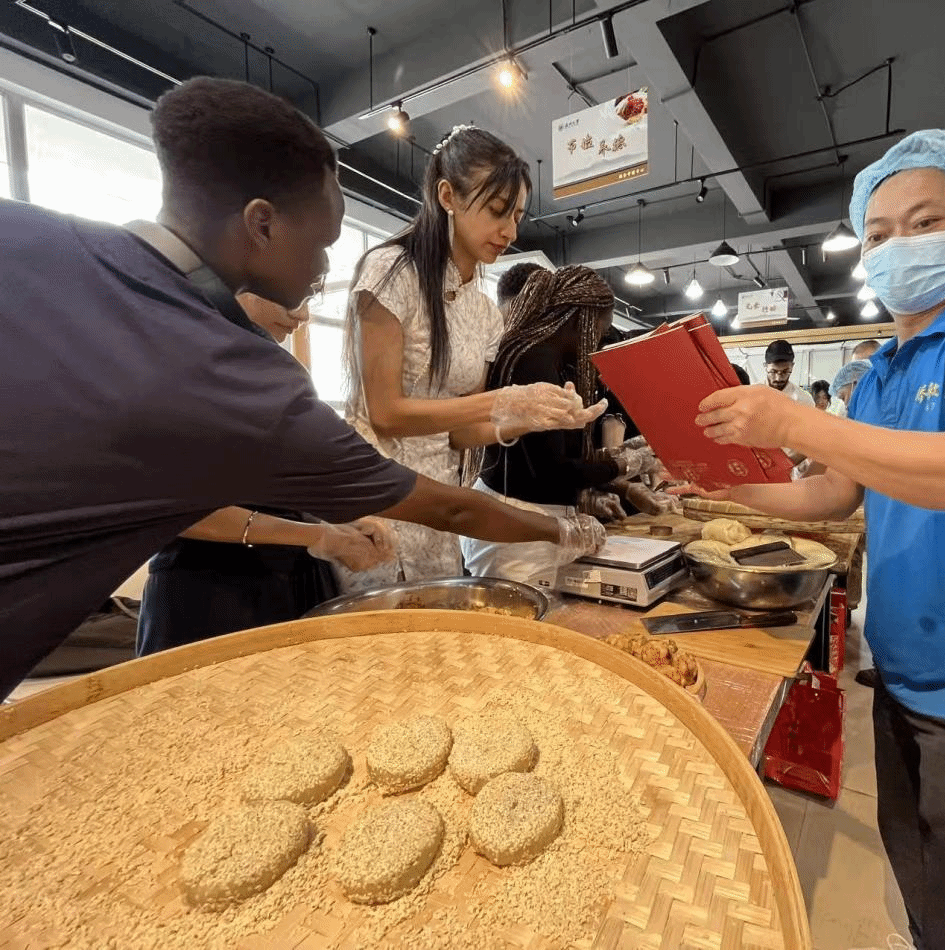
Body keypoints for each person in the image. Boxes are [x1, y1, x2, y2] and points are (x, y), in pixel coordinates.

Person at [0, 77, 604, 698]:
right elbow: (443, 497)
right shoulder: (242, 372)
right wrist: (554, 527)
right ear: (260, 224)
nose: (324, 272)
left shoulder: (23, 234)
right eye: (323, 245)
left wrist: (511, 420)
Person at [684, 125, 945, 950]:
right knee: (924, 892)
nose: (897, 247)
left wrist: (792, 422)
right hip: (909, 674)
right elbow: (836, 492)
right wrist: (725, 489)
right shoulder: (882, 372)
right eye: (877, 235)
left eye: (924, 222)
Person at [343, 125, 605, 588]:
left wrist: (532, 419)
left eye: (517, 216)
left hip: (444, 508)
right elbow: (385, 413)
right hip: (380, 504)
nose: (510, 231)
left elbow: (462, 434)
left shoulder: (484, 312)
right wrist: (504, 401)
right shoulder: (390, 271)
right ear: (447, 195)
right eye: (497, 211)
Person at [136, 294, 393, 656]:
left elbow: (283, 480)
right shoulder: (180, 366)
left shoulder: (282, 372)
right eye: (294, 295)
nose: (302, 315)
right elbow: (178, 509)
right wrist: (318, 535)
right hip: (208, 595)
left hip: (292, 582)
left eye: (311, 295)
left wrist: (340, 518)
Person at [462, 266, 658, 585]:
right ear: (581, 320)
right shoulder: (534, 358)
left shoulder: (540, 355)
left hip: (526, 518)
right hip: (517, 527)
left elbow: (553, 455)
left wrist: (620, 470)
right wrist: (624, 464)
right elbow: (552, 469)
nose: (595, 343)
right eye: (598, 331)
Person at [759, 339, 815, 407]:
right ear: (765, 366)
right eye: (773, 371)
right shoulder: (752, 395)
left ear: (792, 366)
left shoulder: (804, 401)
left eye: (785, 371)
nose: (778, 378)